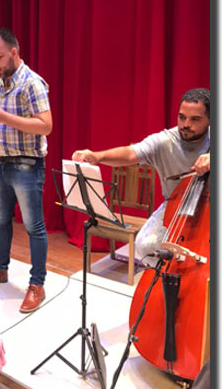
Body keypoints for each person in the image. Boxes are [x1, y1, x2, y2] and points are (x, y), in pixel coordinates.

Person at [72, 88, 210, 266]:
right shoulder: (165, 141)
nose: (186, 124)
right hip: (174, 205)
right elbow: (130, 153)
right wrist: (98, 156)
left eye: (195, 119)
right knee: (145, 245)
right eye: (182, 117)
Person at [0, 27, 52, 314]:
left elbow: (46, 125)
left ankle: (37, 284)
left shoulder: (32, 83)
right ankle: (0, 268)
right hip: (3, 160)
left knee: (34, 227)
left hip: (27, 164)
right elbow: (0, 122)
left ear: (14, 52)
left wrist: (4, 116)